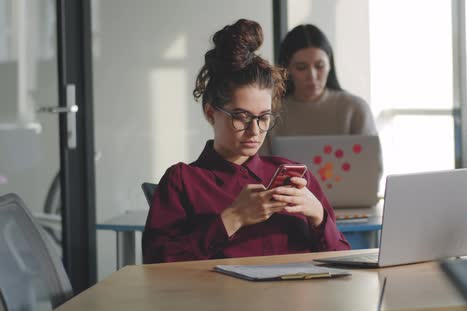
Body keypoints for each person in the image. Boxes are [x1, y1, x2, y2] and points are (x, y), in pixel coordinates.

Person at [142, 19, 351, 264]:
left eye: (264, 117)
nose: (255, 130)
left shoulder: (295, 177)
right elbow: (156, 264)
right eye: (241, 117)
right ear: (211, 113)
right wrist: (232, 219)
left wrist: (318, 216)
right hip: (220, 301)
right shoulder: (183, 181)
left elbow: (344, 262)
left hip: (296, 300)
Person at [265, 24, 383, 185]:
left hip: (350, 205)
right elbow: (261, 172)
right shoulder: (271, 112)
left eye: (319, 66)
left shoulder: (355, 109)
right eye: (301, 67)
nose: (312, 76)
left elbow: (372, 170)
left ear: (330, 66)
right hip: (288, 206)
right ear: (287, 70)